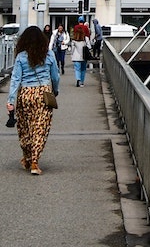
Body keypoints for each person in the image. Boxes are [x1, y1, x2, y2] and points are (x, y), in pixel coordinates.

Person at [6, 25, 61, 175]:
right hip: (43, 93)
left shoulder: (21, 57)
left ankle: (27, 157)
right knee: (40, 128)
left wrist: (11, 100)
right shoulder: (49, 55)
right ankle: (34, 162)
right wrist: (55, 90)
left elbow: (15, 79)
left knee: (25, 128)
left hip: (25, 94)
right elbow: (55, 76)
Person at [69, 16, 92, 87]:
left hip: (76, 56)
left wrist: (71, 54)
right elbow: (89, 46)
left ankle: (78, 79)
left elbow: (72, 48)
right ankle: (82, 82)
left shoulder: (74, 39)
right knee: (83, 69)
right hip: (84, 55)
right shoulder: (85, 37)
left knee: (77, 69)